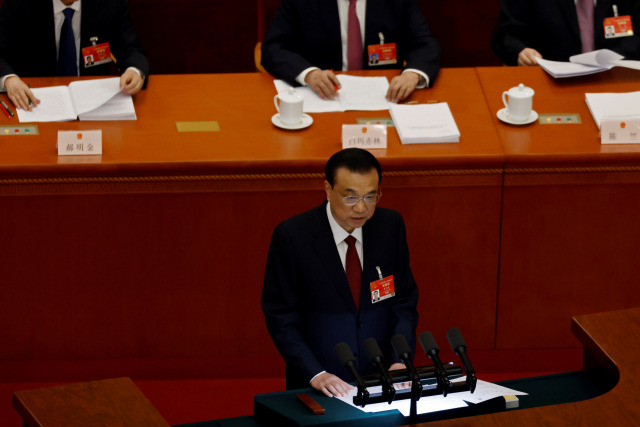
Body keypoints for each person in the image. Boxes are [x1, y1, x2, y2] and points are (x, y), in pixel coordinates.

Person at [262, 148, 419, 397]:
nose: (361, 208)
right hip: (319, 382)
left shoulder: (390, 227)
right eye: (350, 198)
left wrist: (400, 359)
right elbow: (280, 315)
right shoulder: (293, 237)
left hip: (383, 376)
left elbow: (403, 300)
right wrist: (314, 372)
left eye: (370, 197)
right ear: (327, 189)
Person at [261, 0, 441, 103]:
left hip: (383, 99)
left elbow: (425, 44)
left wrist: (412, 75)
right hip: (323, 99)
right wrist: (309, 74)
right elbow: (273, 48)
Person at [0, 0, 149, 111]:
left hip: (93, 104)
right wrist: (8, 79)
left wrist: (134, 71)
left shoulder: (108, 3)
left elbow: (132, 50)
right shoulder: (18, 3)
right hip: (34, 102)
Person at [491, 0, 640, 66]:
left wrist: (615, 59)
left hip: (615, 81)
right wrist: (520, 52)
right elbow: (504, 35)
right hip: (549, 83)